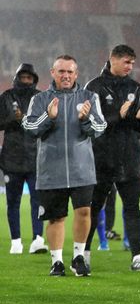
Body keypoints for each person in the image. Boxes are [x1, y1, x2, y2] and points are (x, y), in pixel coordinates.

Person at [22, 55, 107, 276]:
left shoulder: (89, 97)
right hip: (52, 170)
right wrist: (48, 117)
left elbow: (100, 128)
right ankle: (57, 261)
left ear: (76, 74)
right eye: (61, 71)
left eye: (70, 72)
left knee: (84, 212)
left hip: (82, 169)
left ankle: (78, 257)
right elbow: (29, 127)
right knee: (56, 217)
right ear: (52, 73)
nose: (66, 76)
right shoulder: (40, 99)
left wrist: (85, 119)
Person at [83, 45, 140, 272]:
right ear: (112, 59)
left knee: (132, 207)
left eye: (132, 63)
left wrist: (138, 118)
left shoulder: (136, 88)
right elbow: (91, 124)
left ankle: (138, 256)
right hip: (101, 158)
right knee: (93, 208)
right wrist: (121, 115)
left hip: (129, 158)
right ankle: (82, 254)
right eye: (126, 62)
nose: (130, 67)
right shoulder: (93, 88)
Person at [0, 63, 47, 255]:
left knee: (38, 201)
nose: (26, 81)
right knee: (13, 202)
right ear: (17, 78)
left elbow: (47, 124)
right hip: (12, 159)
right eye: (23, 77)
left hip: (35, 158)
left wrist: (25, 119)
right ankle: (16, 241)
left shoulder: (41, 98)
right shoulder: (6, 97)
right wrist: (14, 119)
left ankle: (38, 239)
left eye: (29, 78)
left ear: (34, 79)